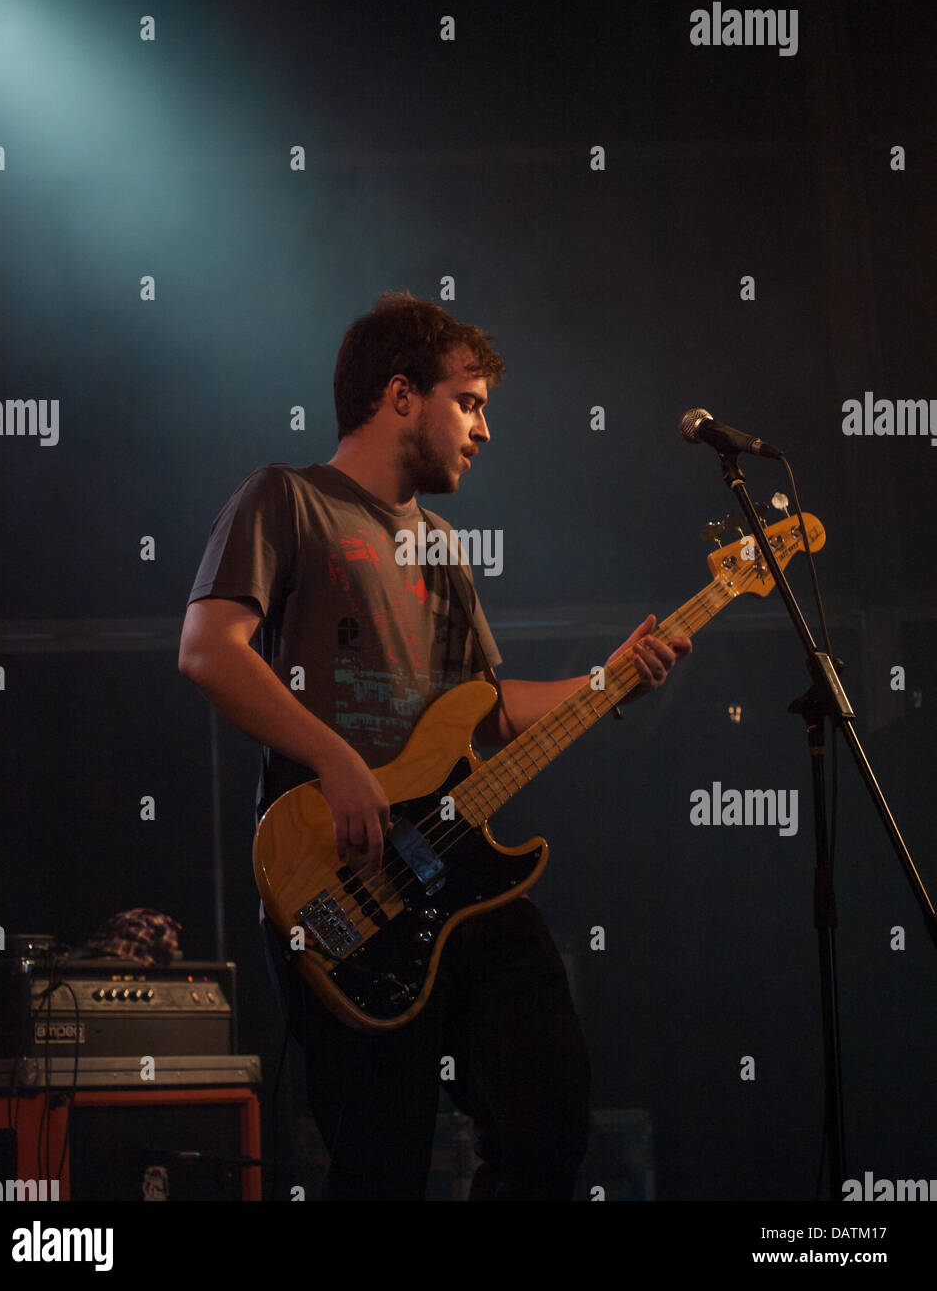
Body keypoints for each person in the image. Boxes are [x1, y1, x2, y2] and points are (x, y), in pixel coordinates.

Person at [178, 290, 691, 1200]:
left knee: (548, 1112)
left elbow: (485, 713)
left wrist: (610, 678)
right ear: (401, 394)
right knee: (381, 1160)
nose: (483, 430)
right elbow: (207, 650)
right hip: (339, 874)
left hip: (453, 866)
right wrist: (336, 760)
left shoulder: (445, 545)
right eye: (470, 401)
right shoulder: (285, 498)